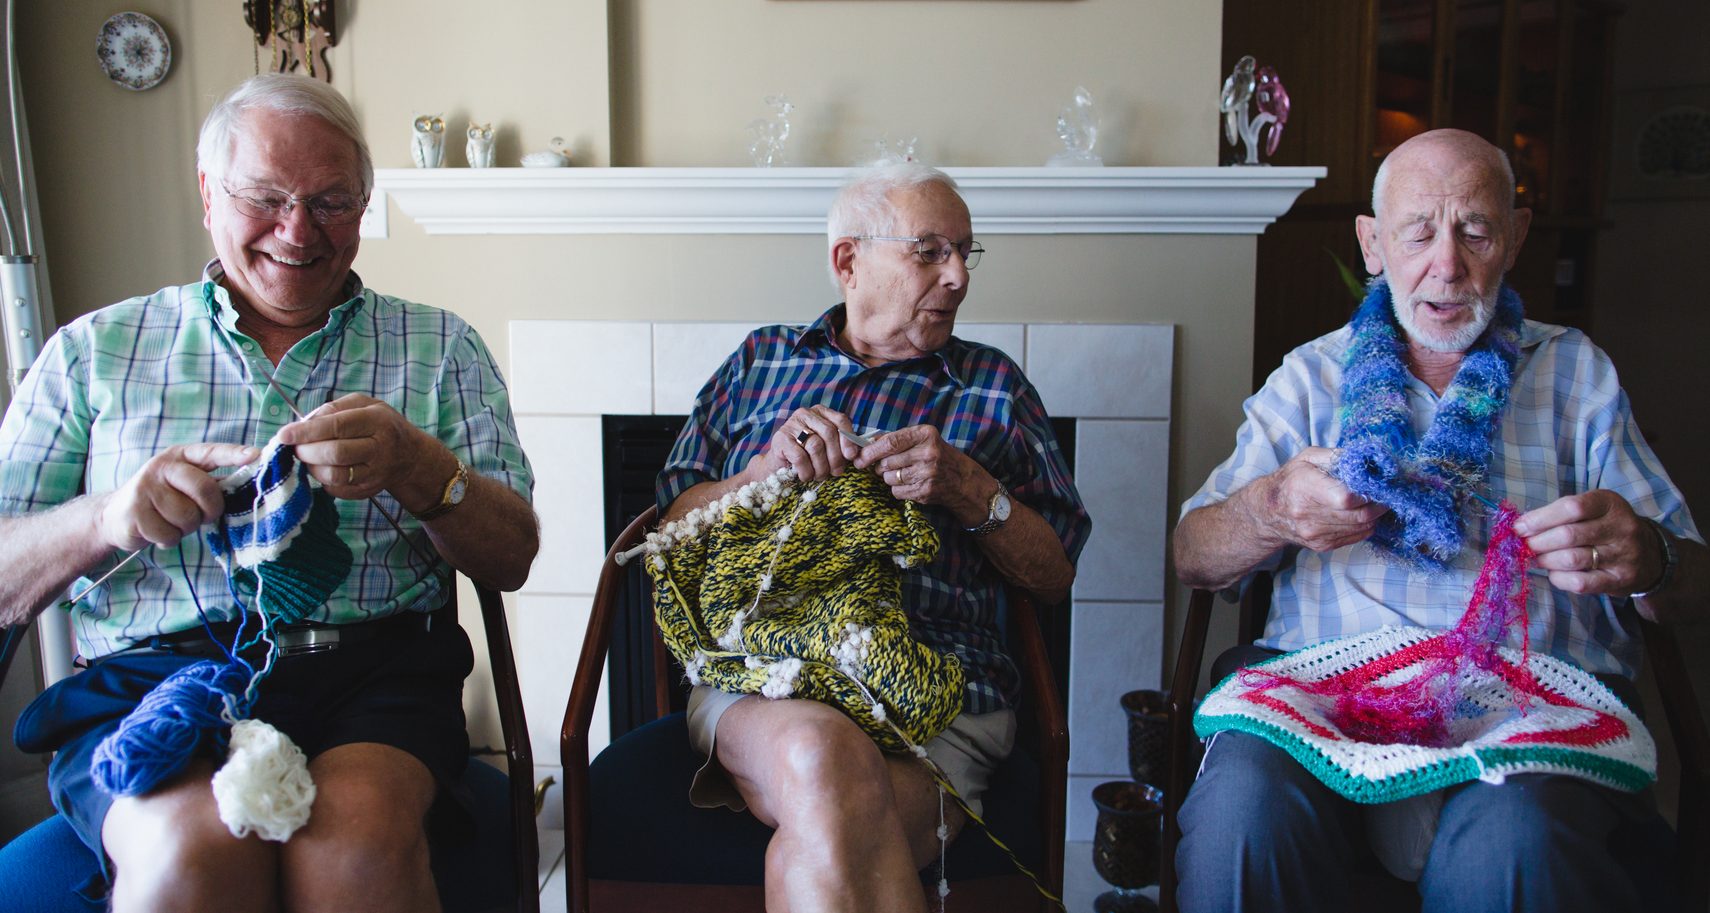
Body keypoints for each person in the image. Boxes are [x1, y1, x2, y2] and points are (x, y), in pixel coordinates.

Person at [0, 74, 538, 913]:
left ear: (365, 206)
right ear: (209, 191)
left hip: (375, 674)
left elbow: (514, 555)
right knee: (191, 851)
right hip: (152, 682)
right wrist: (106, 518)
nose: (298, 229)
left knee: (354, 849)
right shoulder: (92, 353)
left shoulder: (441, 347)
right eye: (267, 197)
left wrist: (417, 466)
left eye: (330, 201)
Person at [1172, 128, 1706, 912]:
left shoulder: (1576, 375)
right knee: (1239, 814)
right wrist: (1270, 508)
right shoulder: (1312, 377)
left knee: (1512, 845)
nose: (1447, 264)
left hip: (1529, 716)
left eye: (1476, 231)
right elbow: (1192, 552)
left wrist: (1650, 555)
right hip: (1323, 707)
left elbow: (1691, 585)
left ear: (1515, 238)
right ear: (1373, 243)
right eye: (1419, 230)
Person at [656, 161, 1091, 912]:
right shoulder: (761, 362)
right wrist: (757, 474)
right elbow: (669, 532)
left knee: (825, 813)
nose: (958, 276)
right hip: (766, 679)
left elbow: (1054, 575)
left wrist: (968, 488)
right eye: (930, 251)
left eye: (964, 253)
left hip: (943, 700)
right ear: (848, 261)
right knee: (824, 752)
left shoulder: (995, 387)